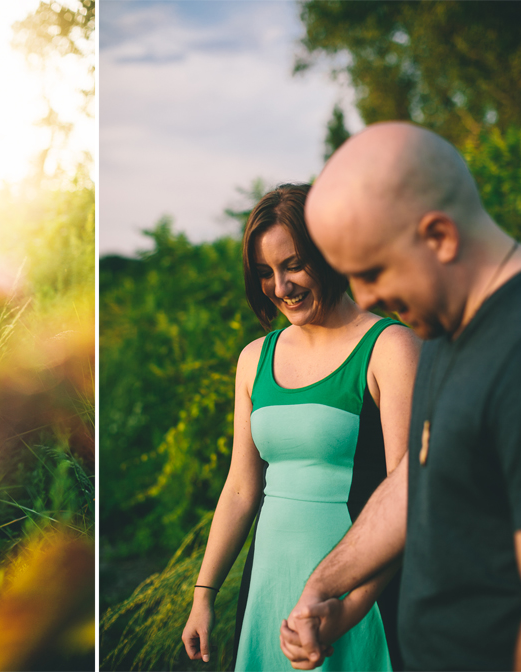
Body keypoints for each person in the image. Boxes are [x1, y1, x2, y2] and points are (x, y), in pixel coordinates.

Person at [279, 122, 521, 671]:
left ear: (440, 236)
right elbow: (415, 478)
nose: (368, 298)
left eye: (373, 271)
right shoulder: (445, 327)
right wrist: (326, 588)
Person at [181, 184, 420, 670]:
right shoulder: (254, 359)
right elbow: (242, 489)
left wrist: (348, 608)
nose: (280, 287)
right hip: (268, 584)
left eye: (293, 265)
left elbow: (410, 499)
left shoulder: (390, 348)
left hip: (360, 598)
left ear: (331, 252)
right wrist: (203, 594)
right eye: (265, 273)